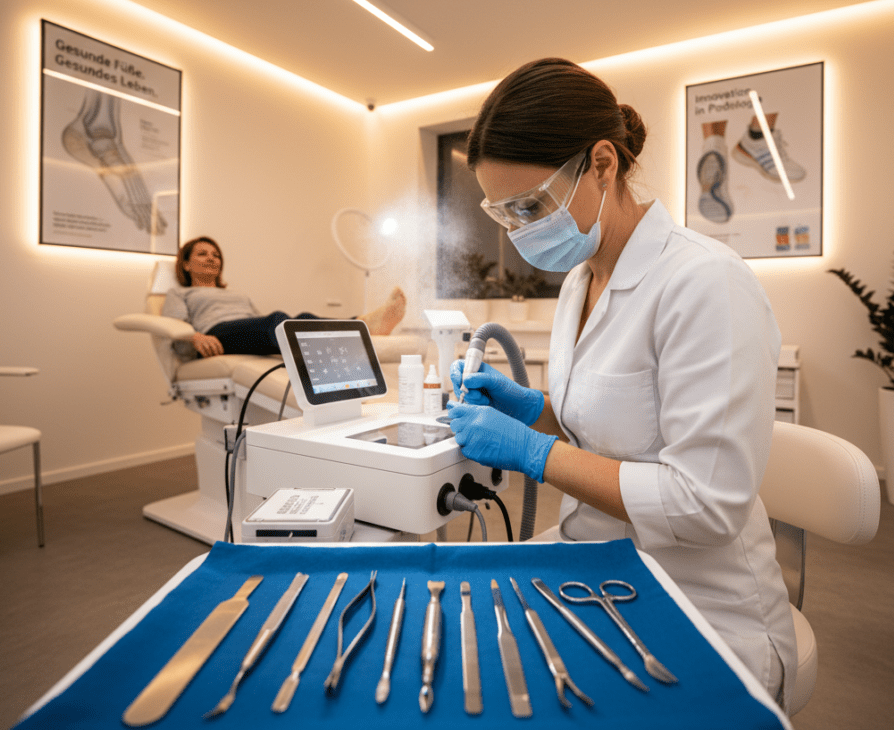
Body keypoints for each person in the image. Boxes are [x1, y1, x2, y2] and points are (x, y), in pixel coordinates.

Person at [446, 58, 797, 710]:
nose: (520, 231)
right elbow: (607, 425)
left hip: (698, 602)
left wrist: (534, 453)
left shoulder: (704, 283)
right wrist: (532, 412)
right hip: (596, 565)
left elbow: (705, 504)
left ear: (602, 164)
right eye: (505, 214)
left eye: (531, 206)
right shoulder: (580, 281)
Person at [163, 236, 406, 358]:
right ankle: (356, 335)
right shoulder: (181, 293)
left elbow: (256, 324)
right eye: (202, 254)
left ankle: (362, 325)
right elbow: (174, 326)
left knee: (301, 318)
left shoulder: (235, 294)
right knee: (278, 322)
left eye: (215, 255)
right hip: (214, 334)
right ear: (186, 264)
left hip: (240, 332)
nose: (211, 258)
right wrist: (195, 338)